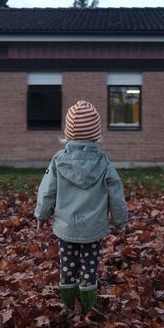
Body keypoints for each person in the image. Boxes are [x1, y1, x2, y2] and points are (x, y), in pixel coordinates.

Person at [35, 100, 128, 313]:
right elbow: (116, 191)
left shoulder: (58, 160)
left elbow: (48, 190)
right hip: (93, 229)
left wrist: (42, 214)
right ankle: (88, 306)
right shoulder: (103, 162)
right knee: (89, 268)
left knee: (67, 267)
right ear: (96, 134)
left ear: (67, 134)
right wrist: (120, 219)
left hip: (66, 227)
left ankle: (68, 305)